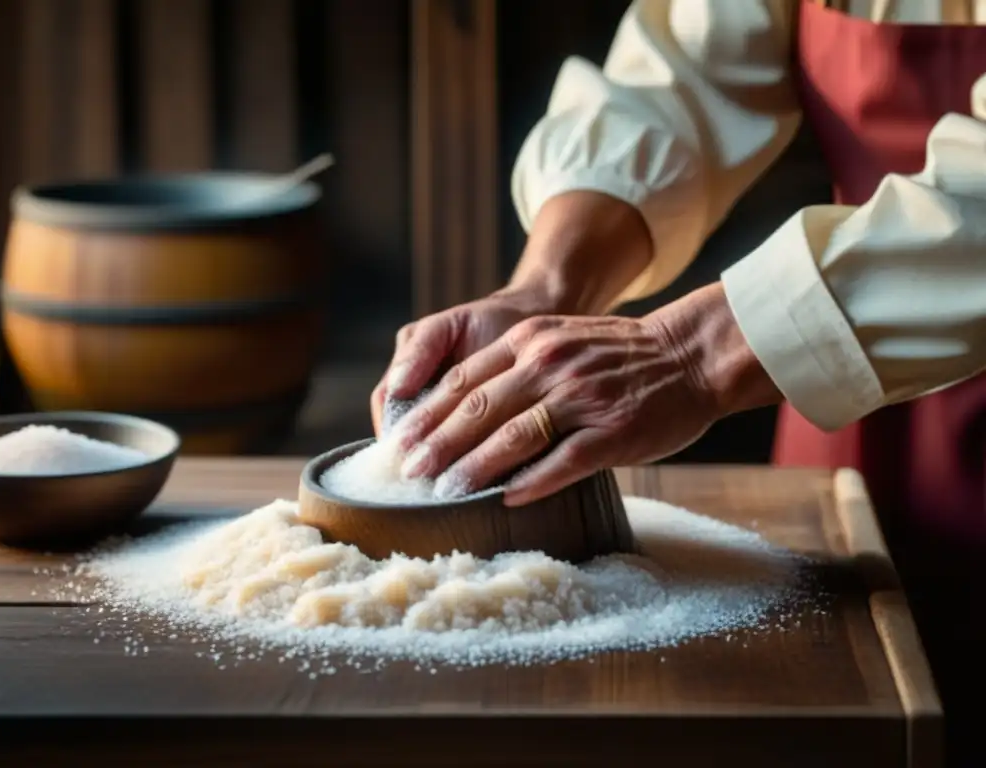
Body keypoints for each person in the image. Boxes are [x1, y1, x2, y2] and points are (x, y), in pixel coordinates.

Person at [371, 0, 986, 762]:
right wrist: (546, 286)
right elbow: (683, 75)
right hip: (846, 402)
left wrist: (690, 353)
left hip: (827, 338)